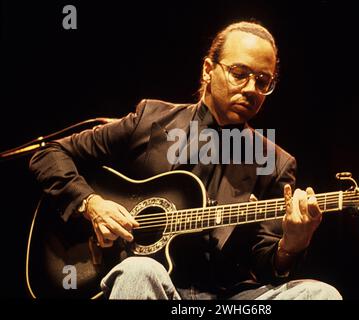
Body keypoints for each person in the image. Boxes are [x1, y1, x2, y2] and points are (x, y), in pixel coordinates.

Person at [29, 21, 342, 300]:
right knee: (140, 270)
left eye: (263, 81)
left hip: (229, 298)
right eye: (239, 74)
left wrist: (292, 244)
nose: (251, 90)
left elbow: (266, 263)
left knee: (321, 294)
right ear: (208, 69)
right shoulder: (150, 120)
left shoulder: (275, 162)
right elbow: (49, 153)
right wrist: (91, 204)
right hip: (150, 284)